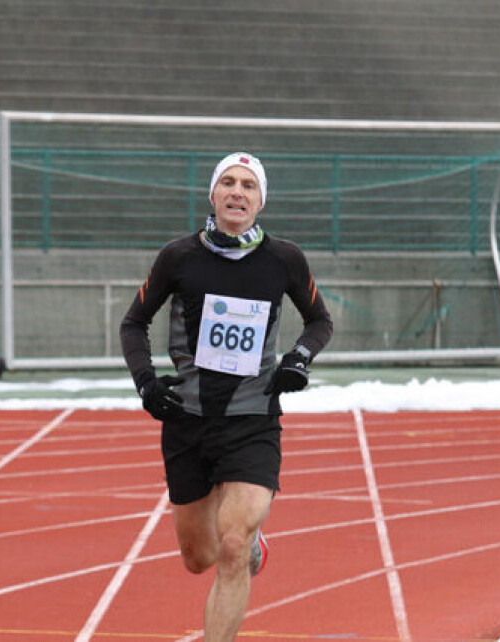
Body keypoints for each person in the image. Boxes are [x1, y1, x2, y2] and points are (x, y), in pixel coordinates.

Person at [119, 151, 332, 641]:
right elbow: (135, 321)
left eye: (249, 186)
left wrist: (297, 358)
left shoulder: (284, 259)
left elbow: (320, 320)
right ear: (213, 194)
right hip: (187, 419)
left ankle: (246, 548)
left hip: (252, 418)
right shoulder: (179, 256)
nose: (238, 192)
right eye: (229, 183)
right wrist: (146, 383)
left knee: (233, 544)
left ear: (260, 201)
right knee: (199, 557)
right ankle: (249, 544)